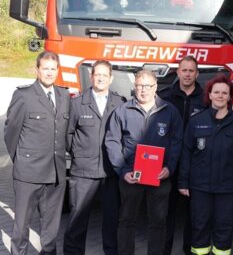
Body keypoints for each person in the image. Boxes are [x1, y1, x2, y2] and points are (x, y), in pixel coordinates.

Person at [105, 69, 183, 255]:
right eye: (140, 86)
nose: (144, 90)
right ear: (134, 87)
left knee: (158, 223)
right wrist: (123, 171)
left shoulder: (169, 111)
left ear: (156, 87)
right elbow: (112, 142)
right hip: (131, 176)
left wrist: (169, 168)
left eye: (148, 86)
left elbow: (177, 141)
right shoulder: (122, 111)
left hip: (159, 177)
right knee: (126, 221)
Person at [178, 74, 233, 255]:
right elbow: (186, 152)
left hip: (228, 189)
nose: (220, 96)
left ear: (230, 97)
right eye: (217, 92)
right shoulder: (197, 120)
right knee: (199, 228)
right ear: (210, 95)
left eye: (225, 93)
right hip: (200, 187)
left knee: (224, 229)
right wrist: (183, 181)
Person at [4, 51, 71, 255]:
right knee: (21, 226)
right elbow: (11, 133)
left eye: (53, 69)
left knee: (51, 228)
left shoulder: (64, 95)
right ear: (37, 70)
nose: (49, 73)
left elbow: (66, 132)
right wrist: (23, 161)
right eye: (45, 68)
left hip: (56, 173)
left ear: (58, 71)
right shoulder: (23, 95)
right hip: (28, 174)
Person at [63, 60, 126, 255]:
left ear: (111, 78)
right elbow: (67, 135)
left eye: (104, 75)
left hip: (110, 173)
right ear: (91, 77)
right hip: (83, 173)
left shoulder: (120, 103)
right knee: (77, 221)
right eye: (97, 74)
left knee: (111, 222)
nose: (100, 78)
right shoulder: (76, 103)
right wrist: (80, 155)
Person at [159, 56, 205, 255]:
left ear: (197, 74)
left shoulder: (206, 98)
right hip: (170, 162)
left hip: (196, 163)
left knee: (192, 212)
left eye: (191, 71)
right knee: (166, 211)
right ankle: (164, 250)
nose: (187, 74)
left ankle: (189, 249)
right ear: (177, 72)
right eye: (184, 70)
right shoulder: (164, 96)